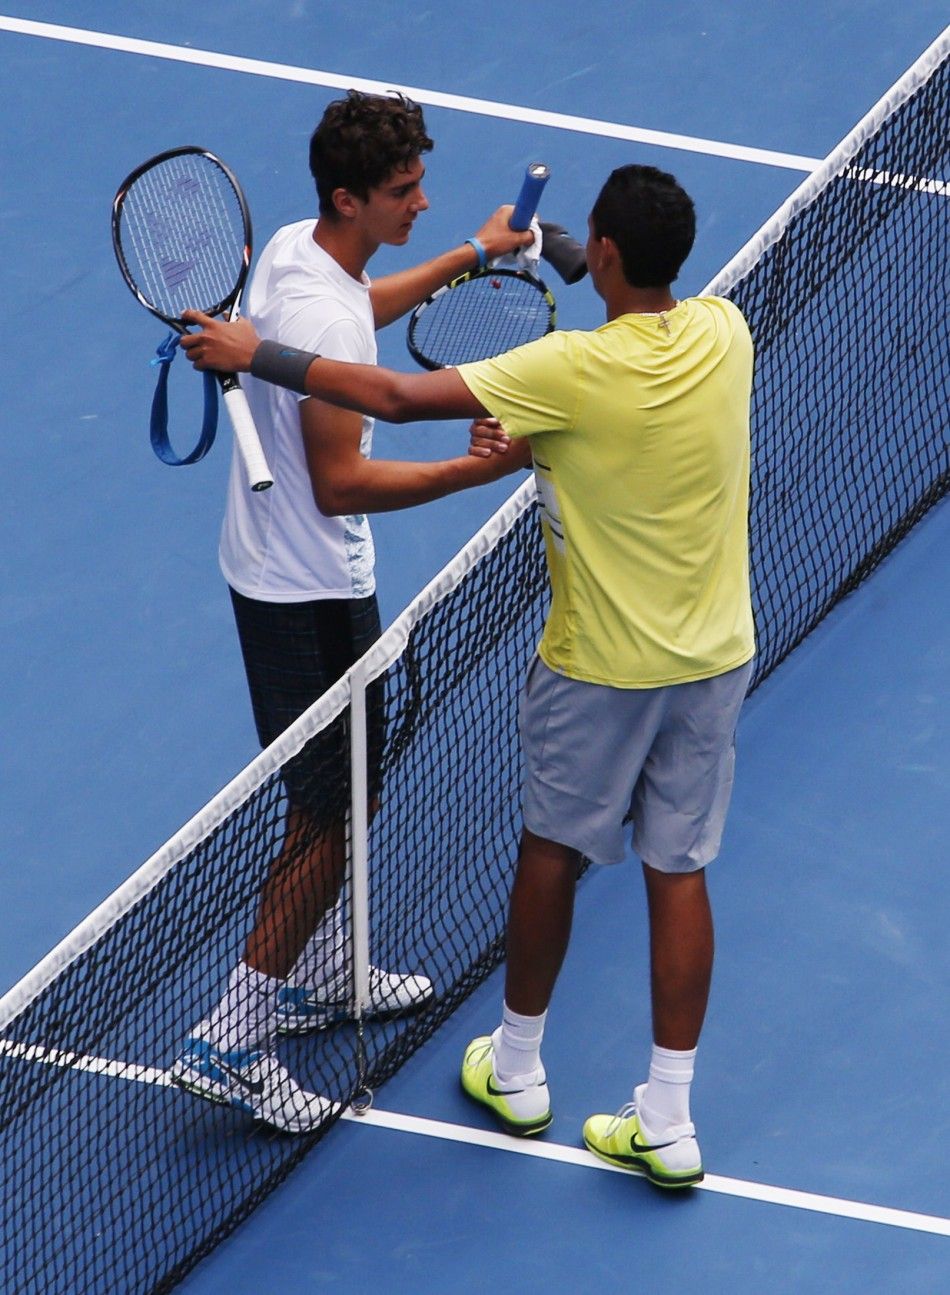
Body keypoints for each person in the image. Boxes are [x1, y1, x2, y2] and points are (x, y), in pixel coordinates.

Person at [181, 163, 755, 1187]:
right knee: (680, 871)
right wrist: (518, 254)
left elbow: (397, 398)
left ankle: (519, 1068)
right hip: (713, 661)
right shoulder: (725, 334)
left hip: (600, 669)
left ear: (607, 257)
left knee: (549, 851)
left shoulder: (566, 369)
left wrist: (252, 351)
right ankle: (668, 1117)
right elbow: (593, 371)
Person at [169, 90, 533, 1134]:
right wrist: (469, 477)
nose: (420, 201)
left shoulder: (298, 251)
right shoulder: (320, 300)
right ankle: (230, 1035)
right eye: (403, 191)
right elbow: (340, 482)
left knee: (347, 788)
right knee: (325, 818)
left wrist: (467, 252)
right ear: (349, 196)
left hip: (270, 569)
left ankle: (324, 973)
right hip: (312, 593)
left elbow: (353, 315)